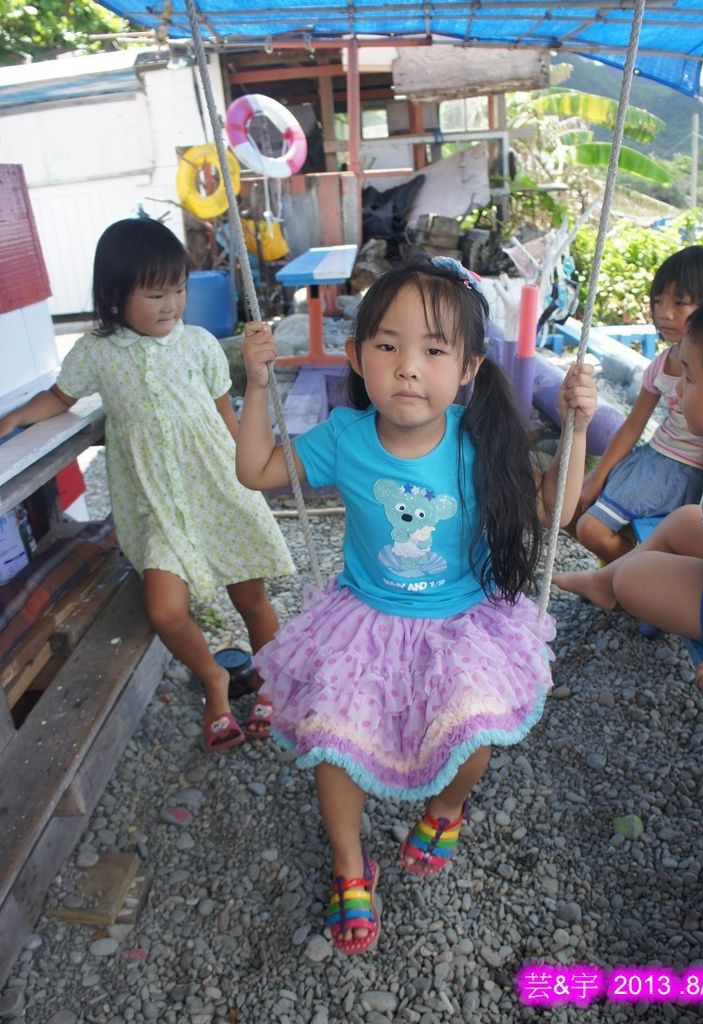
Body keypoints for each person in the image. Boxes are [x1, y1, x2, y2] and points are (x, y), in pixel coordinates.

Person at [237, 256, 597, 954]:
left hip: (462, 622)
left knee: (473, 733)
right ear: (357, 356)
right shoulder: (345, 437)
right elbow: (256, 471)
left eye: (433, 350)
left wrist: (578, 429)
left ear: (466, 368)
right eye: (388, 346)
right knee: (332, 740)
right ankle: (350, 866)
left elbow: (555, 511)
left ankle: (446, 807)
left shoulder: (479, 439)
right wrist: (258, 386)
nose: (408, 368)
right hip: (365, 620)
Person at [0, 217, 295, 751]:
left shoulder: (201, 345)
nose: (172, 305)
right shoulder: (95, 353)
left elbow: (227, 419)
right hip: (157, 506)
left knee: (252, 596)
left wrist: (251, 474)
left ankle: (272, 681)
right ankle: (214, 679)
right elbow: (60, 398)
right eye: (155, 293)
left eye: (178, 290)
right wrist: (16, 418)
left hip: (218, 488)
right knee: (165, 610)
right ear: (115, 296)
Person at [553, 286, 703, 696]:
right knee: (682, 520)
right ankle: (604, 583)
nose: (677, 392)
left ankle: (614, 583)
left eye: (691, 380)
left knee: (635, 579)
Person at [574, 246, 703, 563]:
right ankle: (634, 579)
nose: (664, 313)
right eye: (658, 301)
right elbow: (633, 424)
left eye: (680, 303)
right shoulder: (662, 363)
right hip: (655, 462)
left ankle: (629, 579)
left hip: (696, 474)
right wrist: (596, 477)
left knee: (591, 528)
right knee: (585, 520)